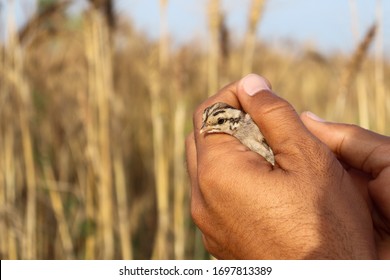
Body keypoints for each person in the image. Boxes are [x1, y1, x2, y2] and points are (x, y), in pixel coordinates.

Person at [185, 73, 390, 259]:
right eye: (207, 122)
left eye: (218, 121)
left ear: (233, 121)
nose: (207, 128)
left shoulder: (250, 128)